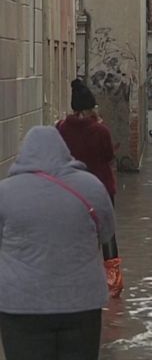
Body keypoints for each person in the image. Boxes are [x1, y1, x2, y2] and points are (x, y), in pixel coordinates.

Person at [0, 126, 115, 360]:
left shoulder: (5, 192)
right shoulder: (91, 186)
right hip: (81, 303)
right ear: (64, 150)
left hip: (21, 307)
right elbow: (106, 234)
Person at [57, 78, 123, 298]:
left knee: (74, 232)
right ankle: (113, 281)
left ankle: (75, 277)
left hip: (70, 190)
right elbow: (109, 158)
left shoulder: (60, 128)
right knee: (107, 234)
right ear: (89, 107)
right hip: (101, 189)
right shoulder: (100, 130)